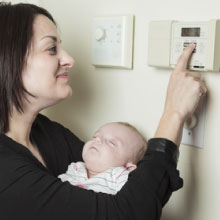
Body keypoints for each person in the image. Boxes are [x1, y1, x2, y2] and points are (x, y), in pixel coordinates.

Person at [0, 2, 207, 220]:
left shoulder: (47, 133)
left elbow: (140, 191)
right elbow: (128, 213)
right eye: (52, 49)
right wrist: (174, 112)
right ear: (9, 59)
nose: (69, 60)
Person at [58, 122, 147, 194]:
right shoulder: (75, 168)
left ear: (128, 168)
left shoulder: (118, 176)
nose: (98, 140)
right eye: (95, 136)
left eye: (112, 143)